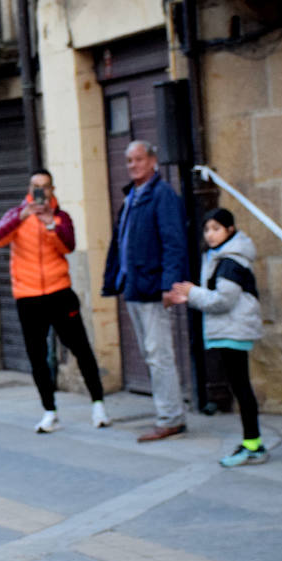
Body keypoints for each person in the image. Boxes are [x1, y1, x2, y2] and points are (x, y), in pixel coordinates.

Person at [0, 169, 109, 432]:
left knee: (81, 349)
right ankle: (49, 410)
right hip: (28, 297)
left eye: (45, 187)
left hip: (59, 293)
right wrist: (23, 216)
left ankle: (98, 404)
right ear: (29, 189)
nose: (40, 191)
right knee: (37, 356)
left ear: (52, 190)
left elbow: (68, 246)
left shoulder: (60, 217)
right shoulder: (16, 215)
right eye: (35, 186)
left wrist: (50, 224)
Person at [102, 141, 190, 441]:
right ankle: (167, 412)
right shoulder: (132, 197)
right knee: (149, 353)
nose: (132, 165)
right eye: (128, 160)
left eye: (139, 159)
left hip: (153, 287)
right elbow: (121, 242)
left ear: (153, 161)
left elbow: (174, 243)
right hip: (134, 286)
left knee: (158, 354)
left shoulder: (162, 195)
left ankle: (170, 417)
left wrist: (169, 285)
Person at [164, 208, 265, 467]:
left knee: (241, 387)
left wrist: (193, 293)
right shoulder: (219, 257)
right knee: (239, 386)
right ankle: (252, 442)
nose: (210, 234)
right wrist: (190, 295)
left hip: (234, 328)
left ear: (229, 230)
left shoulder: (229, 261)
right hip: (230, 328)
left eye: (216, 228)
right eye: (207, 229)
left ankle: (253, 444)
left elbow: (223, 300)